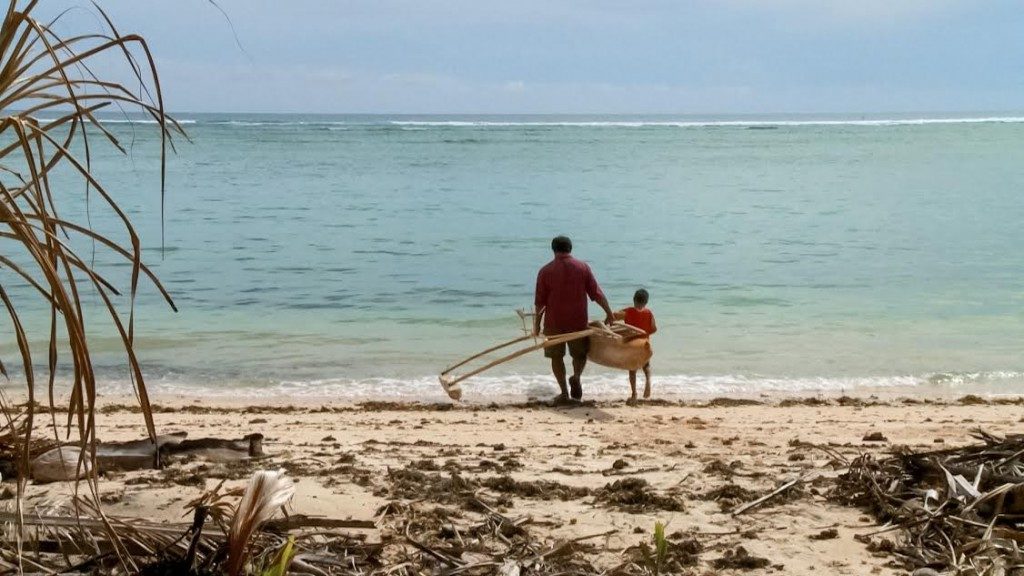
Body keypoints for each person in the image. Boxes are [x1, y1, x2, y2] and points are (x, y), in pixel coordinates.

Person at [534, 235, 615, 402]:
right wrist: (609, 312)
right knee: (579, 355)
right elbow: (596, 294)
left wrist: (536, 325)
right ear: (570, 249)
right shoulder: (583, 268)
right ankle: (576, 376)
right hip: (577, 322)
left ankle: (564, 392)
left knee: (556, 357)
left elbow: (540, 304)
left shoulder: (545, 271)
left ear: (554, 250)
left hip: (554, 323)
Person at [614, 288, 657, 402]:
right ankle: (648, 380)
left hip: (632, 345)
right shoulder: (649, 313)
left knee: (632, 370)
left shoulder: (628, 311)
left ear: (633, 299)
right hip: (644, 344)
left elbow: (614, 316)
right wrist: (646, 333)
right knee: (646, 366)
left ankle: (634, 395)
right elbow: (654, 329)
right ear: (646, 302)